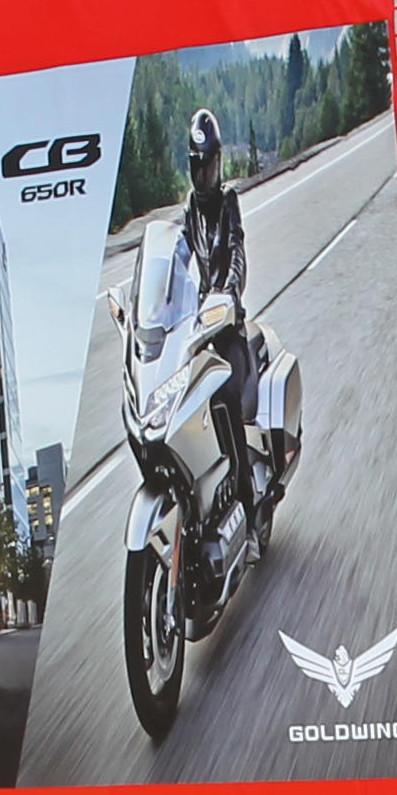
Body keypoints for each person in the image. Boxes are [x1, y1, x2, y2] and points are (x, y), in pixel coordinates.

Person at [177, 109, 255, 509]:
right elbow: (178, 262)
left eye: (210, 165)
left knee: (224, 396)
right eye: (199, 166)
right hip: (197, 337)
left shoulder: (228, 202)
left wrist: (228, 294)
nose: (205, 174)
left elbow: (237, 251)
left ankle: (246, 497)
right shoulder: (190, 208)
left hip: (227, 331)